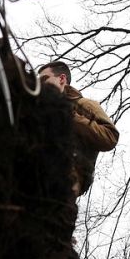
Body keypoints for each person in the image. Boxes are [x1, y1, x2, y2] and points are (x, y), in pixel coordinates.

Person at [37, 61, 119, 196]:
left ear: (62, 79)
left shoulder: (83, 104)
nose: (40, 85)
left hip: (69, 181)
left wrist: (69, 116)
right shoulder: (41, 110)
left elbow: (110, 137)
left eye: (44, 79)